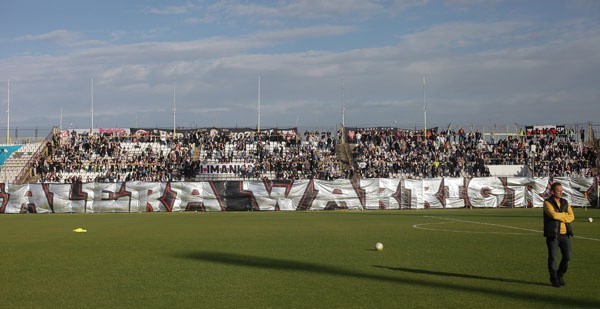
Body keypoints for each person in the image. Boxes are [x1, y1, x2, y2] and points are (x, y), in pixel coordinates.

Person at [543, 182, 575, 287]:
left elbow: (572, 216)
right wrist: (565, 215)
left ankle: (560, 274)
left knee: (567, 257)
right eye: (558, 190)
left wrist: (562, 216)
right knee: (553, 257)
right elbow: (553, 215)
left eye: (562, 190)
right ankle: (554, 279)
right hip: (553, 235)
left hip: (565, 234)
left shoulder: (565, 202)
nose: (561, 192)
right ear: (553, 191)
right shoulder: (547, 202)